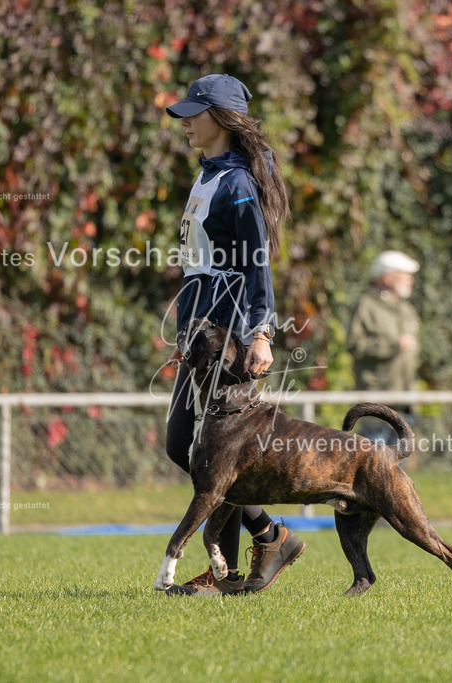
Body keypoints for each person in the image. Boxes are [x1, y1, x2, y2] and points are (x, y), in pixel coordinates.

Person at [162, 74, 304, 596]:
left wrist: (260, 332)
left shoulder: (239, 183)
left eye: (193, 113)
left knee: (209, 452)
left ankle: (230, 570)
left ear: (220, 117)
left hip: (230, 335)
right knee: (183, 445)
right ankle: (269, 534)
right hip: (200, 333)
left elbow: (256, 266)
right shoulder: (206, 176)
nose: (184, 123)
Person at [346, 250, 421, 444]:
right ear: (387, 278)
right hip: (377, 404)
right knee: (373, 467)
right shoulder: (366, 306)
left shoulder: (406, 309)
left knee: (398, 470)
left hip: (404, 403)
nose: (411, 281)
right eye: (406, 277)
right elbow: (354, 345)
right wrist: (393, 345)